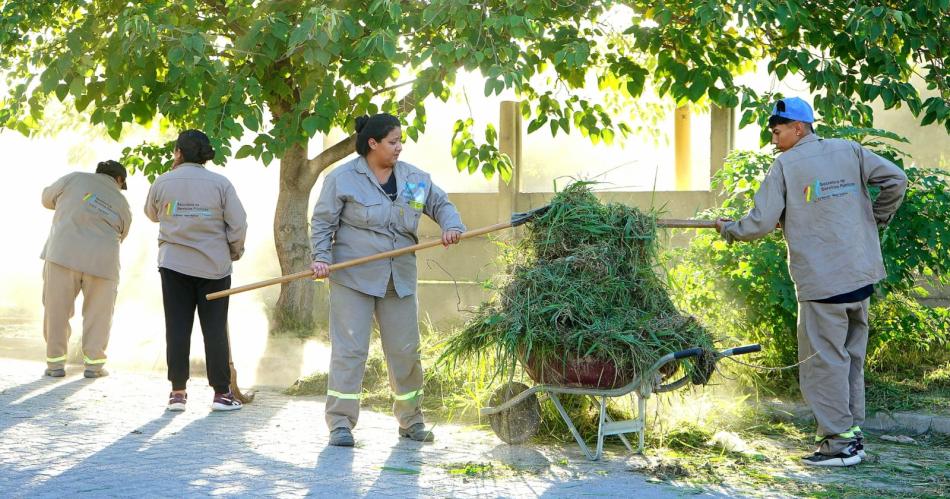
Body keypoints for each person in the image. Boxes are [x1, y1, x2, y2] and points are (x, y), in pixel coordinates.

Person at [716, 97, 907, 467]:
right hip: (860, 276)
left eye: (777, 131)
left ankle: (838, 445)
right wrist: (875, 221)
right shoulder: (849, 149)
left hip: (823, 284)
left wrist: (729, 230)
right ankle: (852, 436)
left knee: (823, 364)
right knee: (850, 360)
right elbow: (896, 180)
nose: (773, 139)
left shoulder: (785, 165)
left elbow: (758, 222)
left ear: (798, 128)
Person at [310, 113, 466, 447]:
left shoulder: (412, 178)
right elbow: (322, 222)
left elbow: (441, 204)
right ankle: (340, 423)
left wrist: (451, 226)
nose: (399, 148)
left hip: (400, 279)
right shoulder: (343, 179)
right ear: (373, 143)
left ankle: (411, 420)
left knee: (405, 350)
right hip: (353, 277)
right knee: (350, 350)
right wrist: (322, 257)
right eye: (393, 142)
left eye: (400, 142)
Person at [145, 130, 248, 412]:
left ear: (178, 152)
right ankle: (221, 394)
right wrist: (234, 252)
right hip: (214, 268)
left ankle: (177, 393)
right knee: (214, 330)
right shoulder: (221, 184)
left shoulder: (162, 181)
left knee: (177, 328)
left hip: (173, 265)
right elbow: (238, 224)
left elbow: (152, 214)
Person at [40, 160, 132, 378]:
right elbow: (123, 232)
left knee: (56, 311)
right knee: (98, 315)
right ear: (119, 179)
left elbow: (46, 199)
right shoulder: (121, 200)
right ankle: (94, 366)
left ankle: (55, 365)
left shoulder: (74, 178)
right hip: (102, 263)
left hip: (63, 255)